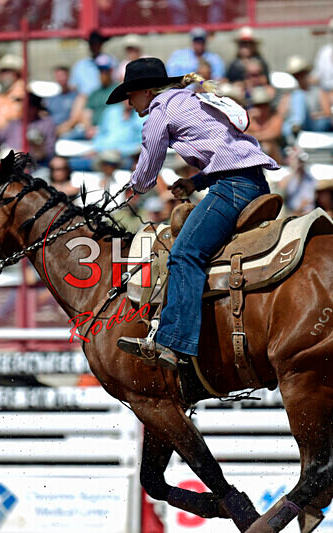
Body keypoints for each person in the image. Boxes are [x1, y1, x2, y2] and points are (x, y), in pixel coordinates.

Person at [108, 57, 278, 369]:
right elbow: (228, 151)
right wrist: (195, 181)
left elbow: (148, 169)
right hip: (253, 183)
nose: (128, 104)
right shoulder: (193, 99)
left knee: (185, 254)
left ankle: (175, 343)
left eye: (130, 96)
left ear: (146, 91)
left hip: (232, 188)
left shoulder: (160, 110)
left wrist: (131, 188)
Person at [0, 54, 26, 133]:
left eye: (5, 71)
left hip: (14, 135)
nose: (1, 75)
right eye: (1, 72)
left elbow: (15, 116)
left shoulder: (22, 92)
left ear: (16, 73)